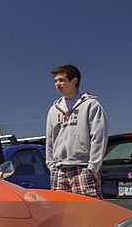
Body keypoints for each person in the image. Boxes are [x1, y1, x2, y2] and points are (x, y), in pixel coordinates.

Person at [45, 65, 107, 198]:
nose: (58, 84)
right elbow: (50, 139)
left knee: (89, 211)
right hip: (59, 169)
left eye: (62, 80)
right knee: (61, 212)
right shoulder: (53, 110)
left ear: (74, 81)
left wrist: (93, 166)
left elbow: (98, 136)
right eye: (55, 81)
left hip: (82, 167)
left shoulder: (90, 104)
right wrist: (51, 165)